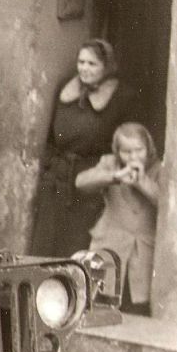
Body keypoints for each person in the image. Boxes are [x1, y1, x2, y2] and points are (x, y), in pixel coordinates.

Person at [30, 38, 129, 257]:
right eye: (81, 62)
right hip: (57, 178)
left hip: (90, 182)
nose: (84, 68)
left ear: (107, 66)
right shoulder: (67, 89)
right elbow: (49, 136)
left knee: (77, 249)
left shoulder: (120, 97)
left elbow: (125, 142)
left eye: (92, 64)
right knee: (45, 244)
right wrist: (49, 167)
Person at [75, 122, 159, 315]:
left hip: (143, 254)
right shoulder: (110, 164)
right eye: (126, 152)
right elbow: (81, 182)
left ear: (149, 148)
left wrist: (142, 183)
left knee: (137, 307)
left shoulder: (158, 169)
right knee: (102, 303)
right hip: (110, 247)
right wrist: (115, 177)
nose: (133, 157)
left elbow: (166, 202)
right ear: (117, 151)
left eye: (139, 150)